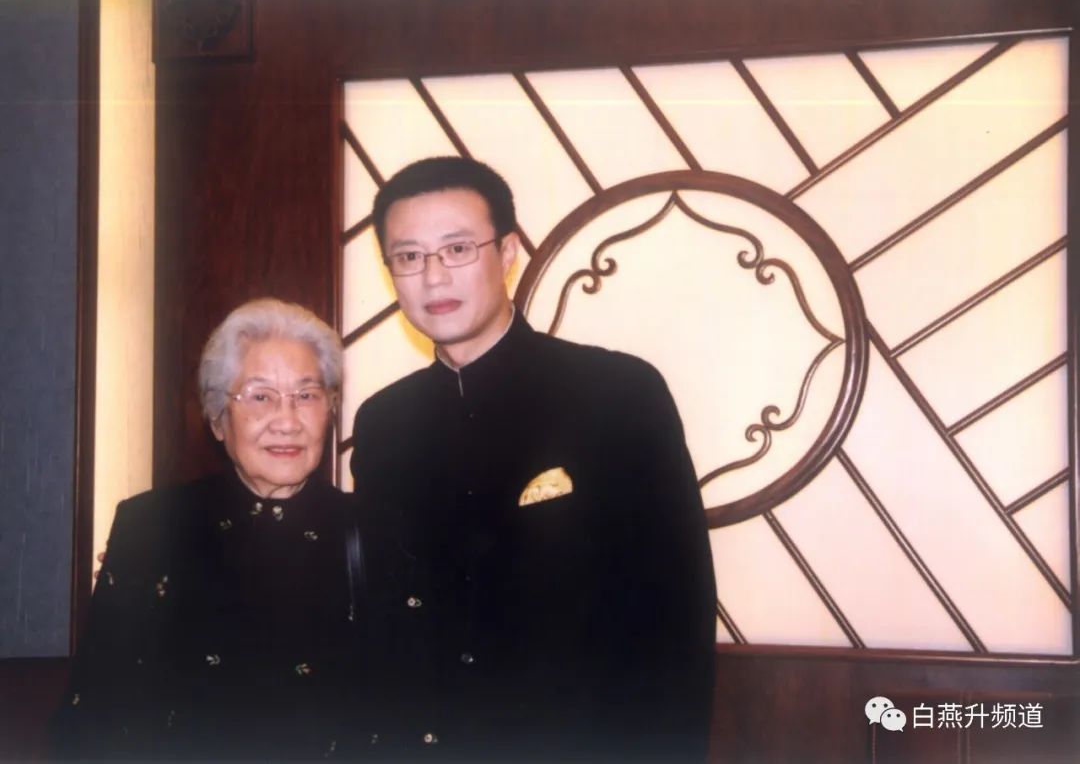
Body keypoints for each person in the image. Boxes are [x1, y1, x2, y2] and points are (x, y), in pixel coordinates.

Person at [351, 157, 717, 761]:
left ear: (507, 252)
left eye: (457, 249)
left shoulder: (618, 393)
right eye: (409, 256)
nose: (434, 277)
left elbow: (678, 613)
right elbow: (388, 617)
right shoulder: (383, 422)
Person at [52, 298, 372, 760]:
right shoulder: (152, 526)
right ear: (219, 418)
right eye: (260, 396)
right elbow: (92, 711)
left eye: (307, 395)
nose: (287, 421)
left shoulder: (372, 531)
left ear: (330, 409)